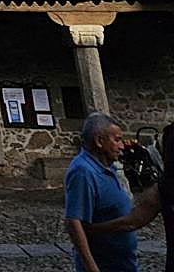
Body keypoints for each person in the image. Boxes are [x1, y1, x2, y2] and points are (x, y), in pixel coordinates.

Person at [87, 121, 173, 272]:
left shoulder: (165, 188)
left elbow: (132, 222)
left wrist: (92, 229)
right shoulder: (165, 188)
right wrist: (92, 229)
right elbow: (132, 221)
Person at [65, 112, 139, 272]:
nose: (122, 146)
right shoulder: (83, 171)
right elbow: (74, 222)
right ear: (99, 141)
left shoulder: (108, 166)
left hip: (122, 264)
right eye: (117, 140)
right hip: (104, 264)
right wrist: (92, 268)